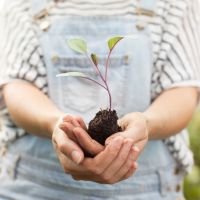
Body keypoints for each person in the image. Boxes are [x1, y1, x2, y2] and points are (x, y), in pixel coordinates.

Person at [0, 0, 200, 199]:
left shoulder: (175, 5)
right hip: (30, 189)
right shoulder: (22, 4)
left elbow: (182, 90)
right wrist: (55, 124)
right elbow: (18, 87)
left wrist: (146, 123)